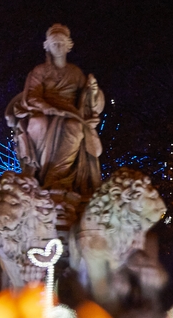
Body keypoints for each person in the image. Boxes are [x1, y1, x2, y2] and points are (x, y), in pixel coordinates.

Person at [6, 24, 104, 197]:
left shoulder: (76, 73)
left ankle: (58, 178)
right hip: (42, 111)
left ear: (69, 45)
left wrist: (93, 91)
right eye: (54, 43)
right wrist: (48, 108)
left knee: (74, 127)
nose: (58, 46)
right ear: (47, 46)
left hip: (70, 114)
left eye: (61, 42)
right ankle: (40, 177)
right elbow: (32, 96)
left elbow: (87, 102)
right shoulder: (40, 71)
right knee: (37, 123)